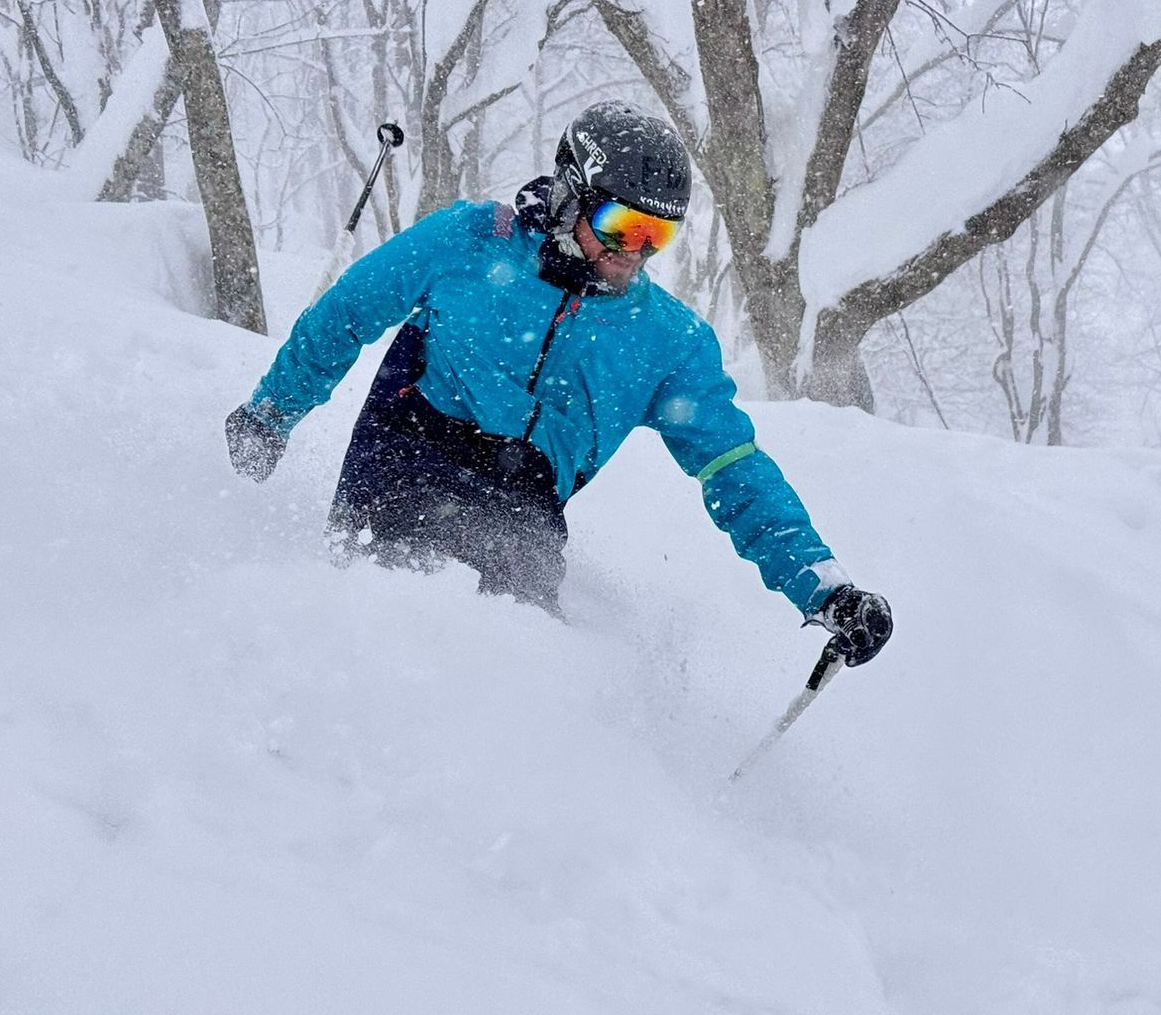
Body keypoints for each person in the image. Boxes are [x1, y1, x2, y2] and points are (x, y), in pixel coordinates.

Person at [224, 101, 892, 667]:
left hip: (524, 495)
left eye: (656, 235)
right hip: (408, 449)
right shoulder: (469, 243)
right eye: (621, 227)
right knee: (386, 619)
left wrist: (824, 591)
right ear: (570, 195)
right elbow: (346, 314)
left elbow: (734, 467)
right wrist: (271, 412)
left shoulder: (666, 341)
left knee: (519, 659)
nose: (634, 253)